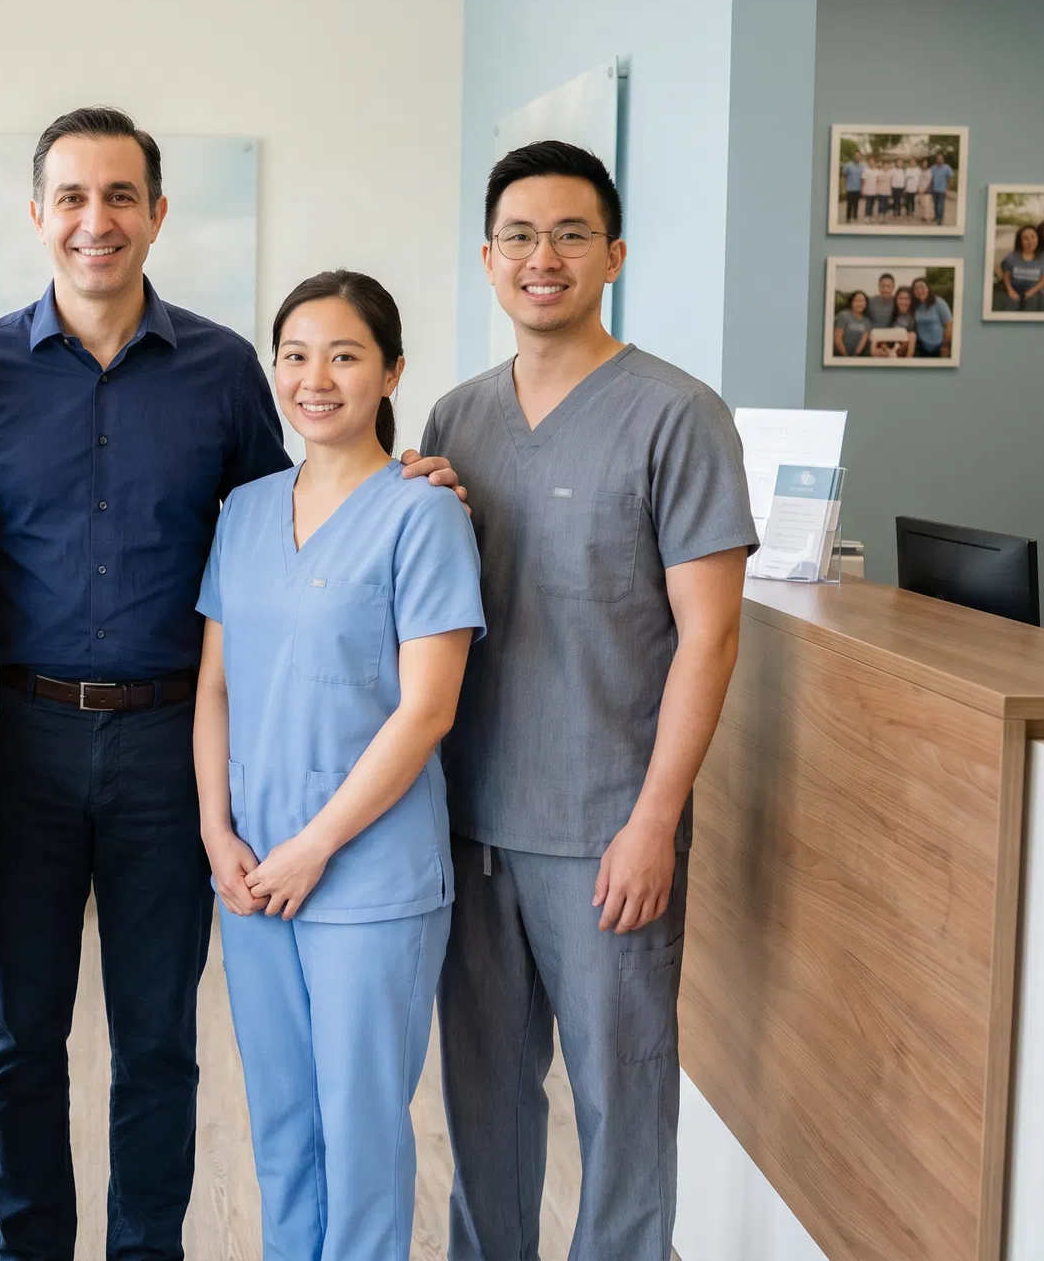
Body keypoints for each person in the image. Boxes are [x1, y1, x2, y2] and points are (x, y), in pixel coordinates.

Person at [0, 105, 465, 1260]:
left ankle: (147, 1250)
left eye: (120, 197)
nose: (97, 222)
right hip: (19, 741)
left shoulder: (229, 370)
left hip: (167, 746)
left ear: (158, 214)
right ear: (39, 217)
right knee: (21, 1035)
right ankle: (29, 1246)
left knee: (158, 1037)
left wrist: (409, 474)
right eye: (72, 199)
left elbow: (297, 523)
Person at [425, 140, 755, 1261]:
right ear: (486, 258)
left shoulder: (677, 415)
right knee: (483, 1106)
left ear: (613, 254)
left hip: (608, 820)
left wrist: (655, 820)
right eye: (519, 236)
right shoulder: (452, 421)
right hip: (469, 820)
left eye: (571, 234)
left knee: (621, 1110)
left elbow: (711, 635)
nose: (543, 257)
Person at [195, 270, 484, 1261]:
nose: (315, 378)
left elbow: (428, 708)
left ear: (392, 371)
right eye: (295, 354)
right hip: (251, 870)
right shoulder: (244, 510)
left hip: (369, 873)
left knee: (360, 1137)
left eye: (345, 354)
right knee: (283, 1128)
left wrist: (314, 847)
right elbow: (217, 689)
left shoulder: (422, 513)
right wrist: (216, 833)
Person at [998, 224, 1044, 313]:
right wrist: (1010, 291)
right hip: (1015, 289)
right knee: (1011, 304)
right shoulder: (1012, 257)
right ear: (1020, 241)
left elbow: (1043, 280)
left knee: (1032, 300)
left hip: (1035, 290)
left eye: (1033, 237)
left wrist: (1031, 292)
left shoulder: (1043, 257)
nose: (1030, 241)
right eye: (1025, 238)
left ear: (1038, 238)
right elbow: (1006, 277)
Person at [909, 276, 953, 358]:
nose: (919, 291)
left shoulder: (939, 302)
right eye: (916, 289)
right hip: (922, 348)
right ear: (913, 292)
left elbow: (949, 325)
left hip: (940, 347)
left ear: (927, 289)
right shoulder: (914, 305)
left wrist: (945, 346)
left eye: (922, 287)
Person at [834, 289, 874, 359]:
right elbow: (837, 339)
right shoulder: (843, 315)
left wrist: (854, 357)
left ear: (866, 303)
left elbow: (862, 342)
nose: (859, 303)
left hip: (856, 357)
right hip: (839, 356)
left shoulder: (867, 321)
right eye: (856, 301)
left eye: (862, 301)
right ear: (851, 302)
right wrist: (846, 356)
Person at [880, 284, 918, 357]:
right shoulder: (893, 314)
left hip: (905, 350)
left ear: (911, 301)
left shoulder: (914, 316)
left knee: (912, 335)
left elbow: (912, 338)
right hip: (891, 350)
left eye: (907, 299)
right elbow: (887, 335)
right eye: (900, 298)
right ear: (896, 300)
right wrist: (884, 345)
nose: (903, 302)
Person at [929, 154, 953, 225]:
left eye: (940, 158)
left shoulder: (947, 167)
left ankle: (940, 219)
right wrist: (930, 188)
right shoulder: (933, 167)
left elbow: (950, 178)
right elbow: (931, 178)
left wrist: (948, 188)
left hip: (942, 190)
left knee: (940, 205)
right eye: (938, 158)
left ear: (943, 160)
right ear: (936, 160)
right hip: (934, 189)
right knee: (935, 205)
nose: (939, 160)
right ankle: (936, 217)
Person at [842, 156, 864, 222]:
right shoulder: (848, 165)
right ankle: (848, 218)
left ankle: (855, 216)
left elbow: (862, 177)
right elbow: (844, 176)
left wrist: (862, 188)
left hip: (858, 188)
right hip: (850, 188)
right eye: (856, 156)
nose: (857, 158)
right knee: (849, 204)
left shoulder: (861, 166)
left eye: (858, 156)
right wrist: (844, 186)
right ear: (854, 157)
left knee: (856, 204)